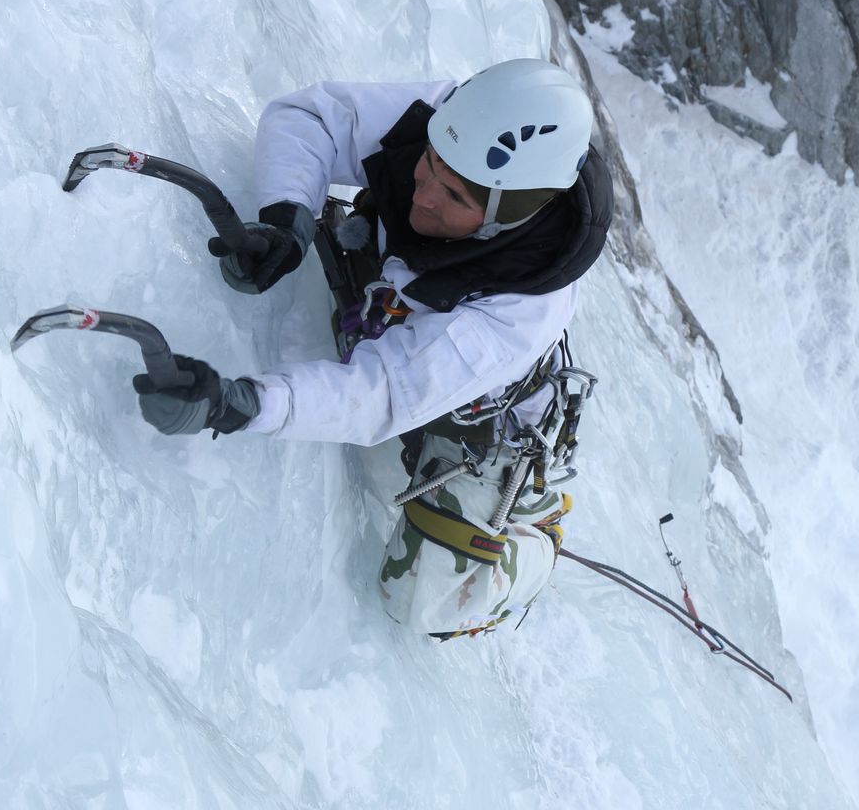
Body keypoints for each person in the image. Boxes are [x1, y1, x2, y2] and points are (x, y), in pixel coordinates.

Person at [128, 58, 614, 637]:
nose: (423, 192)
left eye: (454, 196)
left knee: (422, 601)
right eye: (430, 162)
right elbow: (312, 118)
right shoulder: (454, 125)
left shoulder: (518, 314)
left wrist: (240, 403)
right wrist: (286, 217)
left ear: (502, 221)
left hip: (480, 421)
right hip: (395, 293)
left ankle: (535, 538)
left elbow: (379, 394)